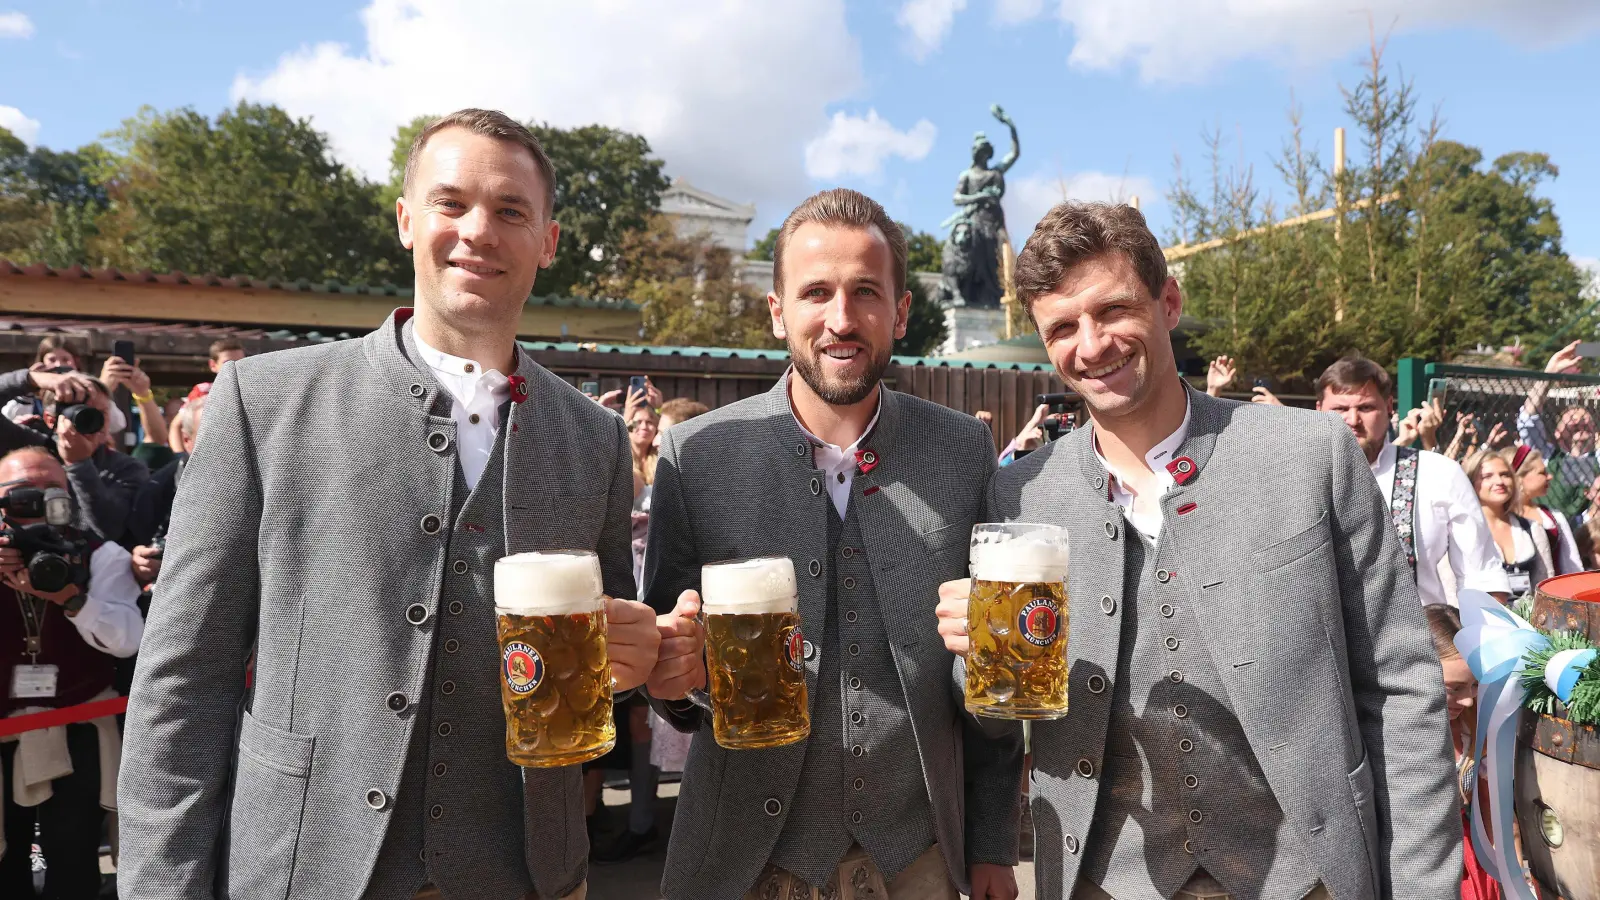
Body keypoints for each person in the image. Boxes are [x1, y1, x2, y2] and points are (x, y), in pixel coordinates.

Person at [117, 108, 662, 900]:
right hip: (303, 867)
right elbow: (182, 680)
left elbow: (595, 672)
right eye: (451, 203)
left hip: (524, 875)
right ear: (407, 221)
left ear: (547, 242)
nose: (479, 230)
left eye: (511, 211)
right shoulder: (264, 402)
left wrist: (633, 666)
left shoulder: (597, 440)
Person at [937, 201, 1460, 900]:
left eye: (1113, 310)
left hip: (1310, 877)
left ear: (1169, 301)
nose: (1091, 346)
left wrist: (1424, 887)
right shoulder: (1020, 495)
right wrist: (972, 666)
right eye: (1062, 328)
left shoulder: (1310, 455)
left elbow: (1402, 686)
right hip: (1104, 880)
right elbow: (999, 720)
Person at [647, 188, 1024, 900]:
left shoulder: (965, 450)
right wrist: (673, 684)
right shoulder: (694, 456)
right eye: (816, 292)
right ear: (777, 310)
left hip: (920, 854)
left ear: (902, 312)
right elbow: (673, 662)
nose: (841, 320)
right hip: (745, 858)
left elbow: (988, 668)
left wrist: (993, 842)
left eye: (866, 292)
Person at [0, 447, 144, 898]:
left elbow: (128, 637)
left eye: (52, 492)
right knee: (3, 854)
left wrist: (70, 598)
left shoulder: (99, 555)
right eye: (22, 494)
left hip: (78, 721)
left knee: (74, 850)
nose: (39, 503)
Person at [1315, 356, 1510, 608]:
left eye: (1365, 408)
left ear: (1389, 407)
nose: (1353, 420)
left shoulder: (1438, 472)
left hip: (1418, 640)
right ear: (1318, 410)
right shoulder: (1293, 476)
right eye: (1340, 409)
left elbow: (1481, 576)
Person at [1518, 340, 1599, 518]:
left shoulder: (1598, 459)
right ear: (1557, 432)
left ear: (1595, 431)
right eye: (1571, 419)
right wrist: (1549, 375)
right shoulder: (1546, 457)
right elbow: (1528, 420)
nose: (1579, 420)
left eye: (1585, 418)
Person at [1464, 448, 1554, 603]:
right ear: (1471, 482)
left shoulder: (1532, 528)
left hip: (1527, 622)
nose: (1499, 481)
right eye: (1487, 476)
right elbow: (1450, 589)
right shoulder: (1463, 532)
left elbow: (1546, 586)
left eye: (1505, 474)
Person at [1511, 445, 1583, 576]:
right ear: (1520, 477)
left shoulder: (1553, 517)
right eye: (1542, 472)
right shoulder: (1505, 518)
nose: (1549, 477)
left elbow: (1572, 565)